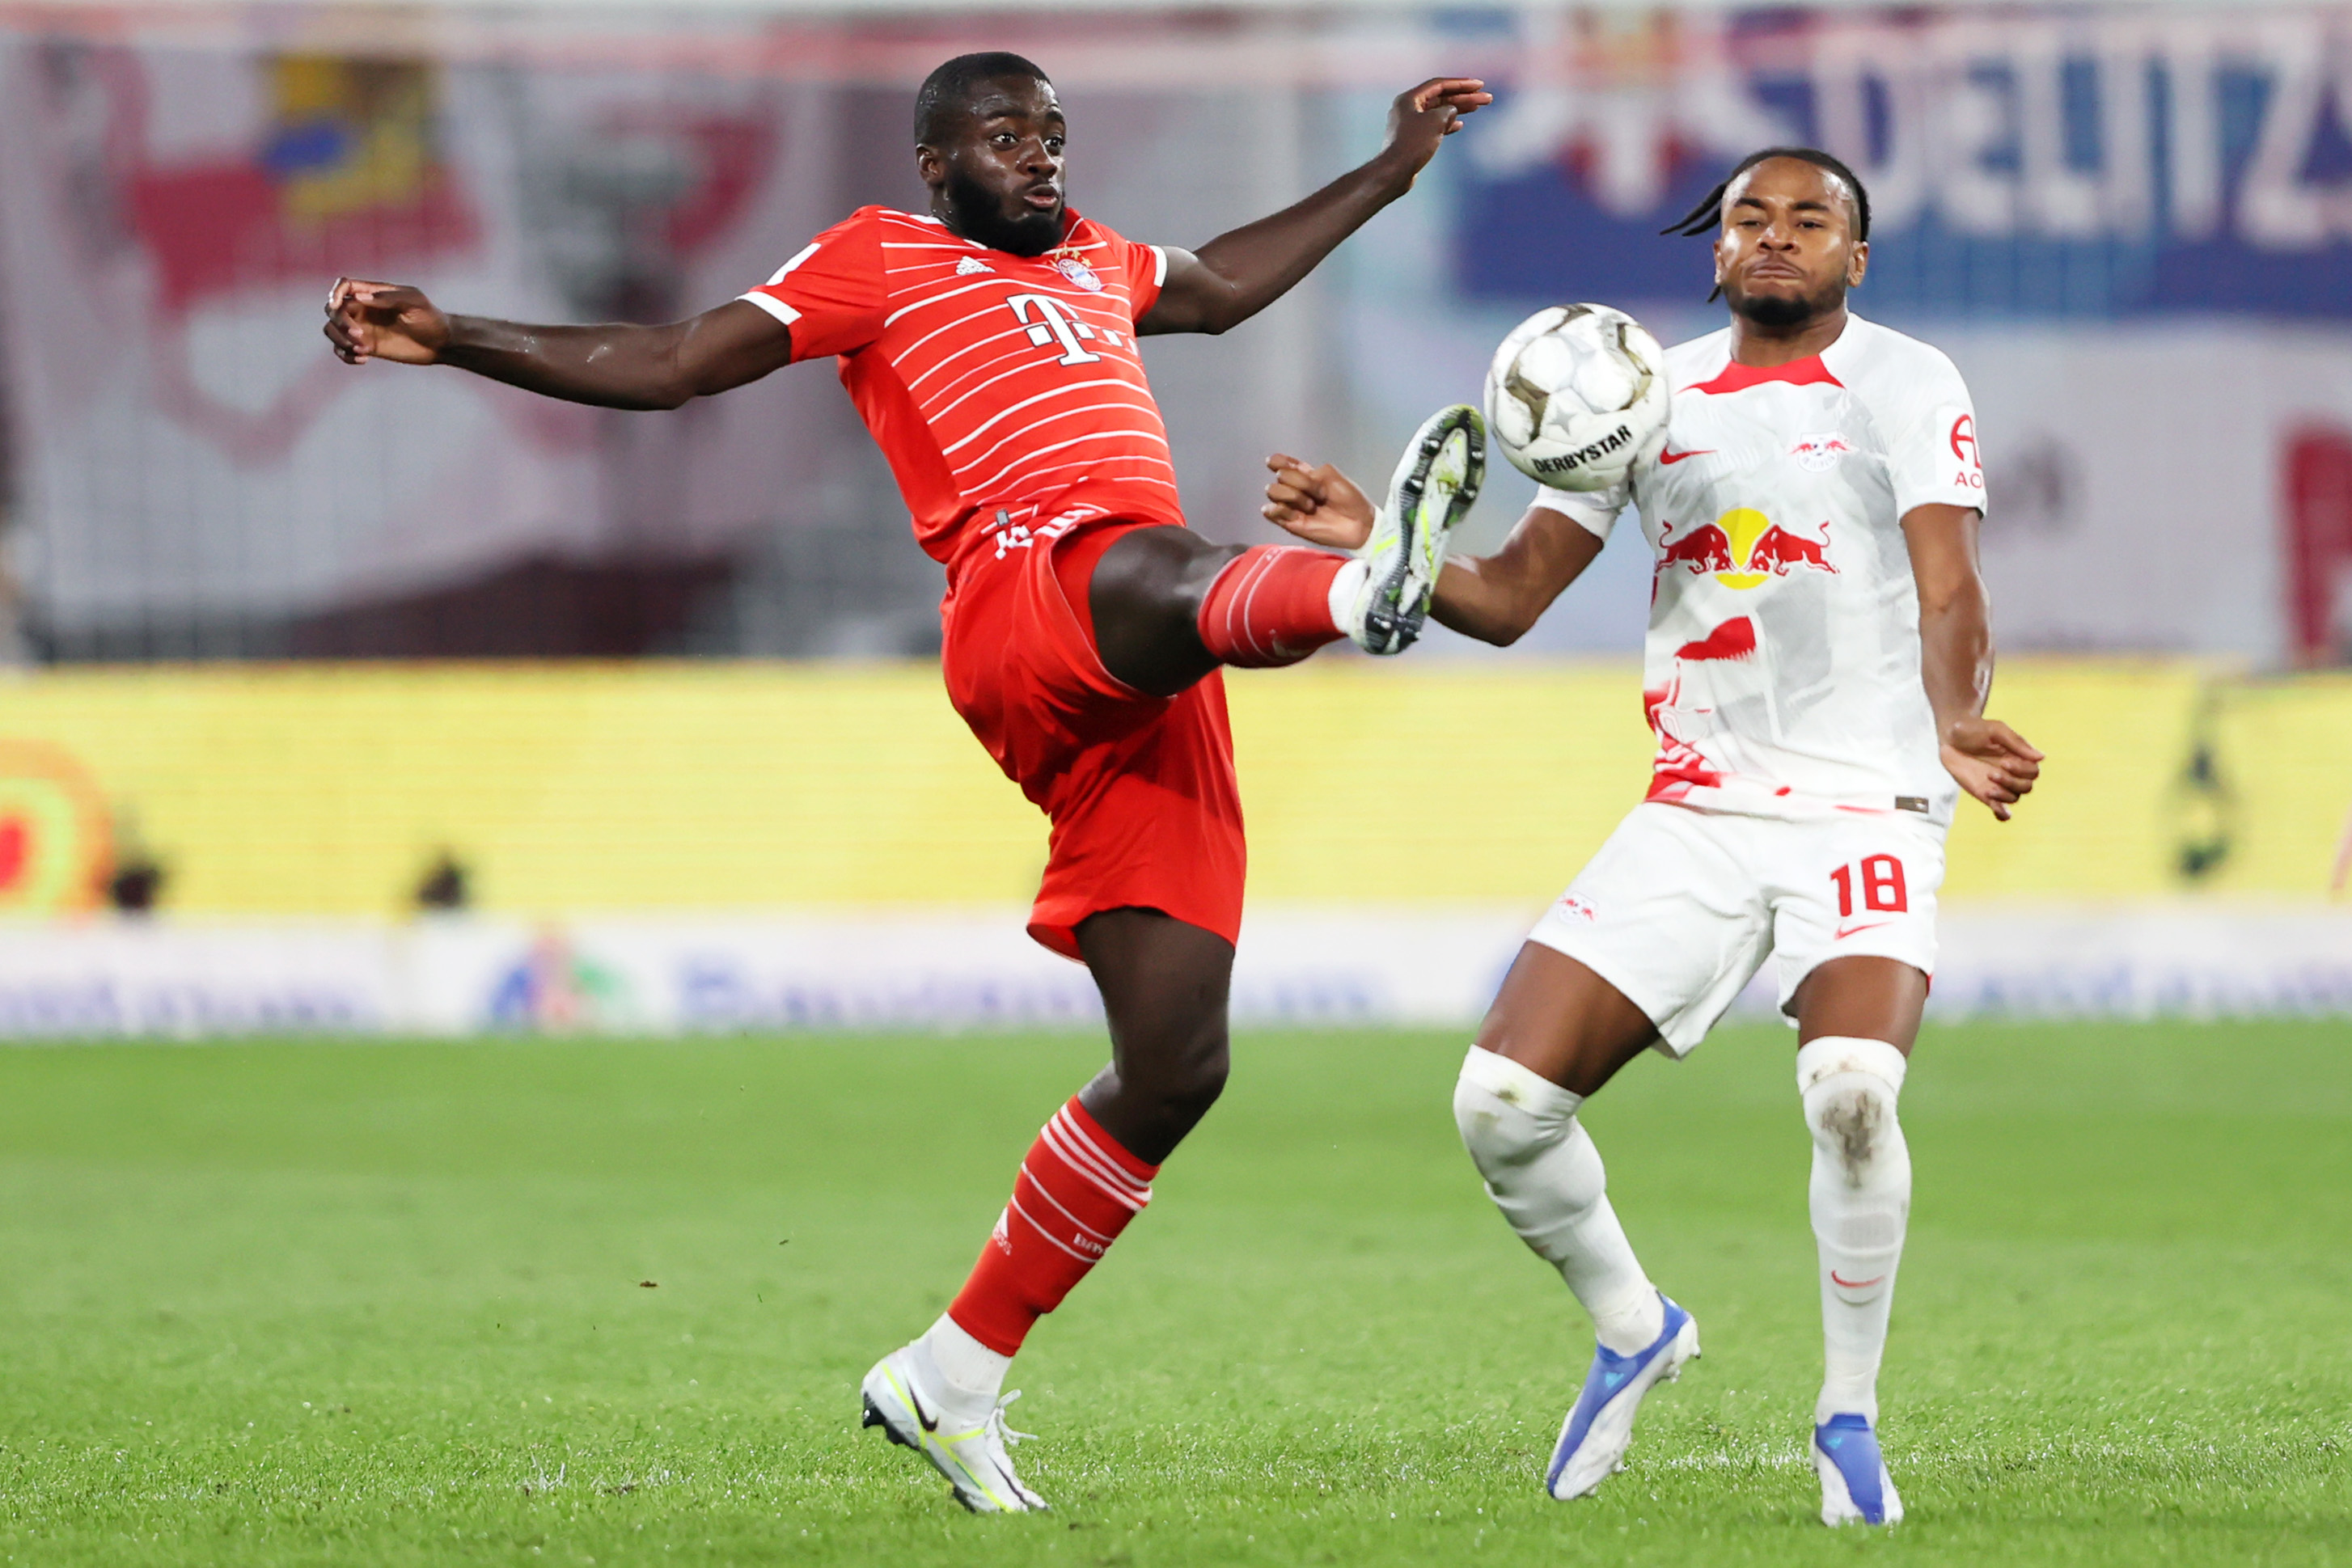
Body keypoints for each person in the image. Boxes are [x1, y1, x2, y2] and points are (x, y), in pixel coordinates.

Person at [323, 53, 1490, 1514]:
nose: (1043, 157)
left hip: (1153, 664)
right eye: (1007, 137)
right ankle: (1354, 594)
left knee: (1180, 1065)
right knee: (1148, 554)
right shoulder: (880, 256)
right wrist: (457, 336)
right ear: (938, 161)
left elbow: (1225, 284)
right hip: (1033, 594)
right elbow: (680, 361)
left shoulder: (1096, 261)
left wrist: (1390, 166)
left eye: (1055, 134)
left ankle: (951, 1375)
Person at [1262, 148, 2044, 1528]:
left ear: (1856, 259)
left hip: (1868, 798)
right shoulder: (1638, 392)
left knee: (1854, 1089)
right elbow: (1505, 599)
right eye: (1753, 217)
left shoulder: (1910, 383)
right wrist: (1381, 541)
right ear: (1717, 248)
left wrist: (1956, 718)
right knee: (1498, 1109)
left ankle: (1846, 1416)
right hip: (1698, 808)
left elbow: (1950, 582)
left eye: (1814, 221)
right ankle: (1635, 1327)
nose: (1779, 238)